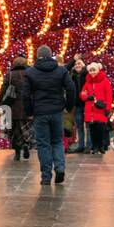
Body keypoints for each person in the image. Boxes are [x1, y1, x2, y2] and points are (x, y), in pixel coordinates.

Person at [23, 44, 75, 187]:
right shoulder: (61, 71)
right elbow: (71, 88)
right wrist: (68, 106)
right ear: (51, 55)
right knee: (57, 141)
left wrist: (29, 112)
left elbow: (25, 95)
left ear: (37, 56)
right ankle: (60, 168)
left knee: (43, 144)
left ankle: (46, 176)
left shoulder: (31, 72)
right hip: (57, 111)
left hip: (40, 112)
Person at [0, 53, 31, 161]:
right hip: (26, 107)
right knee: (25, 129)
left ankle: (17, 153)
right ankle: (26, 144)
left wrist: (0, 102)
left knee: (14, 131)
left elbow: (3, 90)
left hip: (12, 107)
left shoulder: (10, 74)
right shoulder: (29, 73)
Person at [80, 62, 113, 155]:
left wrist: (108, 107)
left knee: (100, 128)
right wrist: (87, 97)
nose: (92, 72)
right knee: (92, 129)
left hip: (100, 109)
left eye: (93, 70)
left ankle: (101, 146)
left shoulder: (105, 81)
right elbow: (82, 94)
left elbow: (109, 95)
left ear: (98, 70)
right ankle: (95, 147)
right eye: (90, 70)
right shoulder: (87, 82)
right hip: (90, 110)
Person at [68, 54, 89, 150]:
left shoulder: (88, 75)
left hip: (88, 104)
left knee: (88, 126)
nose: (77, 65)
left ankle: (89, 145)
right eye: (76, 64)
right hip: (77, 104)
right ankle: (81, 145)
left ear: (83, 65)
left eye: (79, 63)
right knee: (79, 126)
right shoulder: (72, 76)